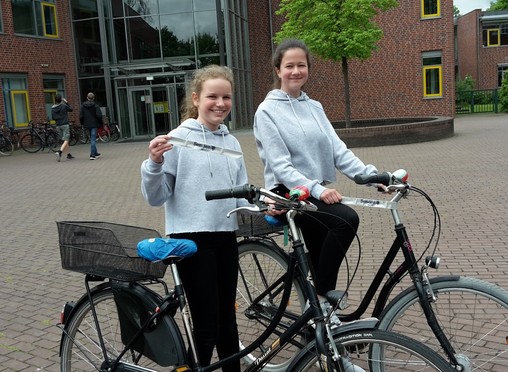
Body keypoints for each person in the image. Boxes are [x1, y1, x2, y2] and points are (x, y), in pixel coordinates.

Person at [254, 39, 381, 323]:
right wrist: (318, 190)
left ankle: (318, 312)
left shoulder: (315, 107)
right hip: (288, 193)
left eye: (301, 65)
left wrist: (372, 178)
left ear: (308, 68)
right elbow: (280, 165)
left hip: (312, 192)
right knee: (345, 219)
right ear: (278, 70)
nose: (296, 71)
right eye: (289, 66)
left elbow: (338, 150)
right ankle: (323, 303)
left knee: (320, 255)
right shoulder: (267, 111)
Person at [141, 65, 248, 371]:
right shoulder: (177, 139)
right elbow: (155, 196)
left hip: (225, 235)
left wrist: (264, 206)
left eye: (226, 97)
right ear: (196, 98)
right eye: (212, 96)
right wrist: (154, 162)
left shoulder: (233, 142)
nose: (220, 103)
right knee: (206, 323)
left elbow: (239, 194)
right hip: (190, 239)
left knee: (227, 320)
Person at [79, 92, 103, 160]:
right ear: (93, 98)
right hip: (94, 124)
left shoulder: (83, 106)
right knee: (93, 139)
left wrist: (82, 123)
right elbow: (99, 115)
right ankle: (92, 155)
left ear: (87, 97)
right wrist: (100, 123)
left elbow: (81, 116)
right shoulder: (96, 106)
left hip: (87, 124)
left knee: (92, 138)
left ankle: (95, 153)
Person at [51, 94, 74, 161]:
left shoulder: (52, 108)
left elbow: (53, 118)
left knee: (64, 141)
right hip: (65, 124)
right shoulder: (64, 106)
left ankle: (68, 155)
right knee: (66, 139)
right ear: (61, 99)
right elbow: (71, 109)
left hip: (58, 125)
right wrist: (66, 102)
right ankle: (60, 152)